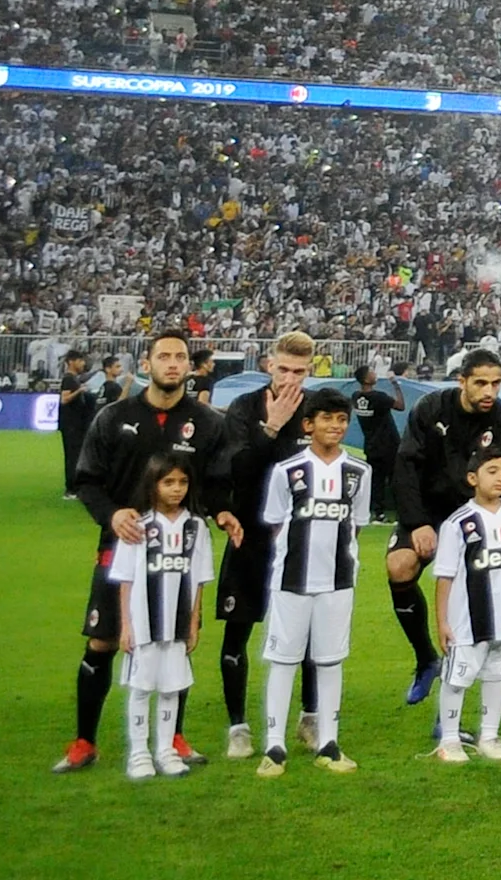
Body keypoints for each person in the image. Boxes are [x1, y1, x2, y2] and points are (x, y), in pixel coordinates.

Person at [58, 330, 238, 775]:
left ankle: (173, 737)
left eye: (180, 356)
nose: (173, 363)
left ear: (188, 367)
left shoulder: (207, 423)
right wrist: (111, 515)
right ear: (148, 363)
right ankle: (85, 741)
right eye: (164, 356)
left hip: (179, 549)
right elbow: (86, 480)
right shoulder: (113, 417)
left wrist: (222, 514)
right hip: (124, 542)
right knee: (102, 640)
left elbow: (216, 486)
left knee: (175, 641)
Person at [390, 349, 501, 716]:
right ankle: (426, 659)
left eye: (496, 383)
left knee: (467, 596)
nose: (489, 391)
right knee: (399, 566)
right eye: (481, 382)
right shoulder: (430, 409)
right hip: (430, 511)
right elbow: (406, 465)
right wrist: (418, 522)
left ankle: (449, 715)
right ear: (462, 381)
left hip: (478, 518)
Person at [252, 386, 370, 775]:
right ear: (308, 424)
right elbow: (275, 522)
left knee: (330, 660)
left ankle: (329, 743)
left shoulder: (358, 472)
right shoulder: (288, 471)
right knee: (283, 661)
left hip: (338, 581)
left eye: (341, 420)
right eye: (326, 419)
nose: (335, 426)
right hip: (291, 580)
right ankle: (274, 746)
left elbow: (357, 526)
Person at [214, 332, 320, 757]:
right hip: (251, 534)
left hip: (301, 538)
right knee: (238, 629)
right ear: (268, 365)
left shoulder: (316, 408)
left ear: (311, 369)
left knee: (312, 633)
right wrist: (272, 426)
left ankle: (309, 719)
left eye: (299, 371)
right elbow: (237, 468)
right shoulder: (243, 409)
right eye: (284, 369)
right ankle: (238, 726)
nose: (291, 379)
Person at [106, 454, 211, 781]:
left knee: (171, 688)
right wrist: (126, 625)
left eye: (182, 482)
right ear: (153, 485)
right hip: (144, 625)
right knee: (140, 688)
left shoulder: (196, 528)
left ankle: (165, 750)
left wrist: (194, 622)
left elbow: (199, 579)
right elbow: (126, 579)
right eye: (168, 482)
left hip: (177, 626)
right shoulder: (138, 527)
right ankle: (139, 753)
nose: (176, 489)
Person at [429, 448, 501, 765]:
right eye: (492, 471)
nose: (500, 477)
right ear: (473, 478)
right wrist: (442, 621)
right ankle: (448, 739)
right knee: (457, 678)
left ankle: (489, 734)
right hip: (466, 620)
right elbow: (445, 575)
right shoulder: (458, 522)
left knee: (497, 675)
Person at [53, 344, 98, 495]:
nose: (83, 364)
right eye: (80, 361)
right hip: (71, 424)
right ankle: (70, 489)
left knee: (76, 455)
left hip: (75, 424)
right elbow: (64, 399)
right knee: (72, 456)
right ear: (72, 362)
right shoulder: (69, 379)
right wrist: (79, 390)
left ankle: (75, 486)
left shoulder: (74, 379)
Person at [351, 358, 404, 478]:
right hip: (388, 446)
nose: (375, 374)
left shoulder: (356, 396)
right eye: (371, 372)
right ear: (365, 379)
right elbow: (401, 406)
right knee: (392, 478)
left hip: (371, 447)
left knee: (375, 481)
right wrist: (395, 383)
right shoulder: (379, 397)